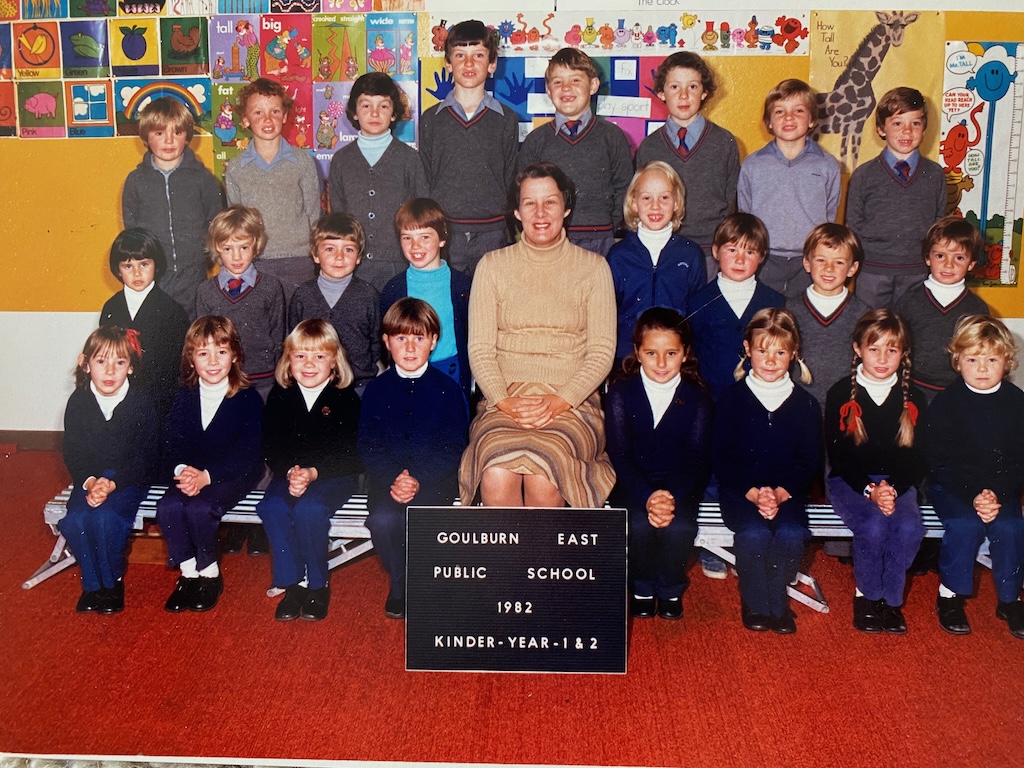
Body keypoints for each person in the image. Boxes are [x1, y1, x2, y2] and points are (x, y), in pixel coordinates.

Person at [459, 161, 616, 508]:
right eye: (530, 203)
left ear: (567, 207)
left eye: (551, 202)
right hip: (504, 400)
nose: (540, 213)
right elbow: (481, 350)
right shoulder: (492, 266)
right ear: (517, 211)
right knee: (497, 472)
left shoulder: (594, 268)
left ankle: (541, 564)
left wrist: (560, 400)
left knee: (545, 475)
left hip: (572, 404)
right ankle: (505, 565)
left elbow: (602, 352)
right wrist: (504, 400)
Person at [358, 298, 469, 620]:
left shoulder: (448, 390)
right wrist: (394, 478)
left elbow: (453, 445)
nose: (409, 348)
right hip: (387, 481)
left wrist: (418, 477)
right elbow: (369, 443)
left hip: (434, 481)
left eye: (419, 338)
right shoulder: (377, 389)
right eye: (401, 338)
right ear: (386, 341)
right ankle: (401, 580)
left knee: (421, 519)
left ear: (433, 341)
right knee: (383, 520)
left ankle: (420, 578)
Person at [712, 308, 821, 634]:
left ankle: (777, 596)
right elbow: (721, 457)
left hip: (787, 493)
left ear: (794, 353)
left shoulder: (806, 404)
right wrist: (754, 492)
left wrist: (781, 492)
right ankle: (756, 599)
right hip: (740, 492)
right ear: (748, 349)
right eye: (762, 351)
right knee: (754, 534)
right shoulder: (731, 399)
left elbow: (809, 460)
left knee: (790, 534)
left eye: (780, 352)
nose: (771, 360)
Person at [688, 212, 784, 579]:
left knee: (756, 468)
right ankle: (715, 542)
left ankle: (752, 538)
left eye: (750, 251)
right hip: (713, 403)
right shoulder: (700, 301)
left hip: (759, 403)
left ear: (762, 256)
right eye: (732, 249)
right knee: (714, 471)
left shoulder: (774, 301)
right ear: (716, 252)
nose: (741, 258)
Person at [606, 308, 712, 621]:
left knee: (679, 526)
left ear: (685, 353)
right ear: (637, 352)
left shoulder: (698, 398)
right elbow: (620, 453)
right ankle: (640, 586)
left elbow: (697, 458)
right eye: (651, 353)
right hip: (632, 482)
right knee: (637, 524)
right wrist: (648, 496)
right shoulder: (620, 393)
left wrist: (669, 497)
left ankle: (670, 587)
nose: (662, 363)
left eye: (671, 353)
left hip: (680, 483)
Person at [825, 309, 927, 634]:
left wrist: (892, 488)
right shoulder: (841, 393)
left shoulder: (915, 397)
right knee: (872, 526)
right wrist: (871, 491)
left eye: (892, 350)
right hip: (850, 482)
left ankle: (891, 600)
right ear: (857, 349)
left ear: (903, 353)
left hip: (897, 483)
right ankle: (867, 596)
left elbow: (916, 458)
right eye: (874, 348)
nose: (883, 358)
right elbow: (839, 455)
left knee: (909, 528)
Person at [924, 315, 1024, 640]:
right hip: (953, 485)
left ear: (1007, 361)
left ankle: (1010, 599)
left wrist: (997, 494)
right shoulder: (946, 403)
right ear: (957, 361)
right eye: (972, 359)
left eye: (991, 359)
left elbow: (1020, 459)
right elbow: (938, 461)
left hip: (1000, 489)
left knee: (1011, 526)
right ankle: (949, 595)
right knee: (965, 525)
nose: (982, 368)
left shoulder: (1016, 402)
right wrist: (974, 495)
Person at [157, 316, 263, 613]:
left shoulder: (247, 398)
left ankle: (210, 574)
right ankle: (189, 574)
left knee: (201, 508)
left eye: (222, 351)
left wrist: (207, 476)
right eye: (203, 353)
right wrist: (182, 471)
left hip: (231, 474)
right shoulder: (183, 396)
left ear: (236, 355)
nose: (213, 361)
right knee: (168, 507)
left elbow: (248, 453)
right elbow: (172, 443)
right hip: (190, 473)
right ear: (191, 360)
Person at [258, 320, 362, 622]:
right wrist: (290, 471)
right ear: (288, 361)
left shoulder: (345, 399)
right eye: (300, 356)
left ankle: (317, 585)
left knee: (309, 511)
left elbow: (350, 453)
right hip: (290, 475)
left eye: (319, 356)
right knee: (272, 506)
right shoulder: (280, 396)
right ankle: (293, 583)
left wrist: (313, 473)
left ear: (334, 361)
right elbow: (270, 444)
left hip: (333, 477)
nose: (309, 364)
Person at [60, 326, 157, 615]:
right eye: (101, 361)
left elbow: (147, 456)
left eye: (120, 362)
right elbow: (73, 451)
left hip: (128, 478)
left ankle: (112, 581)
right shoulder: (78, 402)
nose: (110, 371)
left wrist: (114, 484)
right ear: (86, 364)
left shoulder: (140, 402)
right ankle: (93, 584)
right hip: (89, 479)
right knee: (75, 519)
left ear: (131, 367)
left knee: (105, 518)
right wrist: (90, 482)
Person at [419, 20, 518, 277]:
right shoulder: (431, 119)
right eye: (460, 56)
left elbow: (510, 177)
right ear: (448, 64)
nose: (469, 64)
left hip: (493, 234)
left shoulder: (507, 119)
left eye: (479, 55)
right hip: (445, 233)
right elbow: (426, 177)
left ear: (493, 64)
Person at [518, 47, 633, 256]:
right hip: (549, 239)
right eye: (558, 82)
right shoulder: (536, 141)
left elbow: (624, 187)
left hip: (600, 241)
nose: (566, 88)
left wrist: (608, 225)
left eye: (576, 80)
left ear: (593, 85)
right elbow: (522, 193)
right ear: (548, 90)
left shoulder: (612, 137)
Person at [636, 51, 739, 276]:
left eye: (692, 87)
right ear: (661, 93)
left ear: (705, 92)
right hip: (664, 251)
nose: (683, 95)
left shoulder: (725, 143)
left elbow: (731, 202)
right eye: (674, 87)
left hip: (711, 253)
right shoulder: (649, 147)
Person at [738, 79, 840, 298]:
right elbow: (745, 215)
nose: (789, 118)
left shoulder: (827, 165)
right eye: (779, 112)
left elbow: (829, 213)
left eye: (799, 110)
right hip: (764, 258)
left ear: (812, 119)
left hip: (810, 260)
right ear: (769, 122)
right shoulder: (753, 164)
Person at [327, 72, 428, 291]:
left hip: (398, 263)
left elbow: (421, 213)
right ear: (354, 112)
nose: (374, 113)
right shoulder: (341, 160)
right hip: (353, 265)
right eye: (366, 106)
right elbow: (338, 215)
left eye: (383, 106)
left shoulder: (409, 159)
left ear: (394, 114)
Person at [122, 96, 224, 314]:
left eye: (177, 133)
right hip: (155, 276)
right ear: (146, 137)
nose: (169, 141)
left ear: (187, 136)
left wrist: (204, 257)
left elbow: (217, 221)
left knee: (194, 334)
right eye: (159, 133)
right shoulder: (136, 180)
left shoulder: (202, 178)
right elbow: (131, 230)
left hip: (194, 272)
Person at [846, 87, 946, 309]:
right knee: (871, 333)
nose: (907, 132)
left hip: (918, 272)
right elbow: (853, 225)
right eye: (898, 123)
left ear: (924, 128)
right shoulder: (864, 175)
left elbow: (939, 225)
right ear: (881, 129)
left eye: (915, 123)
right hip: (872, 272)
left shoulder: (935, 174)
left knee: (911, 335)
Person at [225, 78, 321, 299]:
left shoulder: (303, 161)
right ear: (245, 120)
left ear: (285, 116)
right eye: (258, 113)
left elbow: (313, 213)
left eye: (275, 111)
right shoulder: (236, 168)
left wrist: (311, 253)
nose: (267, 119)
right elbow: (236, 223)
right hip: (255, 261)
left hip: (298, 260)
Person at [607, 161, 706, 365]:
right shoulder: (619, 255)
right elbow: (609, 313)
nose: (655, 206)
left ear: (677, 202)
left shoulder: (690, 254)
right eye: (646, 198)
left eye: (664, 197)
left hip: (673, 359)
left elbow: (698, 314)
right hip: (627, 356)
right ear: (634, 202)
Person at [380, 198, 471, 400]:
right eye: (407, 238)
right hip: (407, 372)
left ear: (442, 238)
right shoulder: (393, 288)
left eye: (425, 237)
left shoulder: (463, 285)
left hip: (451, 372)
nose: (415, 246)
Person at [195, 205, 286, 402]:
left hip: (264, 380)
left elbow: (279, 334)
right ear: (217, 249)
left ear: (256, 246)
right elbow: (203, 341)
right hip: (223, 380)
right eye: (228, 249)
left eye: (244, 247)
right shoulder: (206, 291)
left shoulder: (271, 287)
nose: (236, 257)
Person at [99, 228, 190, 420]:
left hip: (158, 400)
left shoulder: (172, 311)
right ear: (118, 269)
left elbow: (175, 366)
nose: (137, 273)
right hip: (119, 395)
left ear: (156, 265)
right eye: (128, 266)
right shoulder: (111, 308)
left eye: (144, 264)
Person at [895, 216, 988, 401]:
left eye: (959, 258)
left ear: (971, 264)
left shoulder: (978, 308)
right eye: (940, 255)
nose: (948, 264)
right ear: (927, 257)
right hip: (913, 388)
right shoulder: (908, 301)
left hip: (959, 391)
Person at [289, 213, 380, 397]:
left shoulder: (368, 294)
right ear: (315, 254)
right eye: (330, 249)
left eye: (348, 250)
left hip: (360, 385)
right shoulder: (303, 295)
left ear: (359, 257)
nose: (339, 257)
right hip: (314, 385)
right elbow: (294, 341)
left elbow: (376, 342)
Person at [787, 223, 870, 408]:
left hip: (846, 406)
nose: (829, 268)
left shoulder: (864, 314)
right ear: (807, 263)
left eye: (839, 262)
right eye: (821, 260)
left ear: (852, 268)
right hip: (799, 405)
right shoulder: (789, 310)